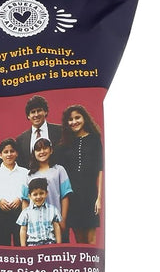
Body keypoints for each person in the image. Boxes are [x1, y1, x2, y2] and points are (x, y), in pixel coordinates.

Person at [57, 105, 103, 245]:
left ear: (84, 118)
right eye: (70, 119)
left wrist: (99, 198)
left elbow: (100, 169)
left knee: (91, 240)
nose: (74, 122)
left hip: (90, 195)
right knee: (79, 240)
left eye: (77, 118)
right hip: (73, 196)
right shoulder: (65, 144)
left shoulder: (94, 139)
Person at [21, 138, 72, 234]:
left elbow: (65, 196)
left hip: (55, 220)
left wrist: (63, 219)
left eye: (45, 148)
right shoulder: (29, 174)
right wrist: (26, 222)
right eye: (38, 150)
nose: (42, 152)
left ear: (51, 150)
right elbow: (25, 200)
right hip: (35, 223)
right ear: (34, 153)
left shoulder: (59, 170)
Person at [15, 95, 62, 166]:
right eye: (33, 112)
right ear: (28, 116)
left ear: (45, 112)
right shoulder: (21, 140)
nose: (36, 115)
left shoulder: (60, 131)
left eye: (39, 110)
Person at [17, 178, 61, 246]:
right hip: (33, 245)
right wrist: (23, 247)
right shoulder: (26, 212)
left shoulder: (53, 210)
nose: (38, 197)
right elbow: (23, 230)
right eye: (35, 194)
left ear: (46, 193)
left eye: (41, 193)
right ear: (30, 196)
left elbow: (56, 227)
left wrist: (59, 244)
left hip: (50, 243)